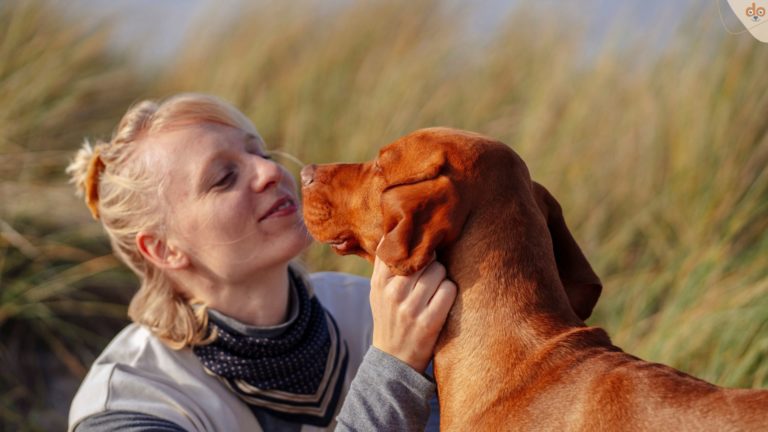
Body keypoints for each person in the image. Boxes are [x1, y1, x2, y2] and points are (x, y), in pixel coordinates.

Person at [65, 93, 457, 431]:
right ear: (163, 249)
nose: (271, 172)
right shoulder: (129, 402)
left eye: (260, 152)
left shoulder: (377, 311)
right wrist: (393, 368)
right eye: (223, 178)